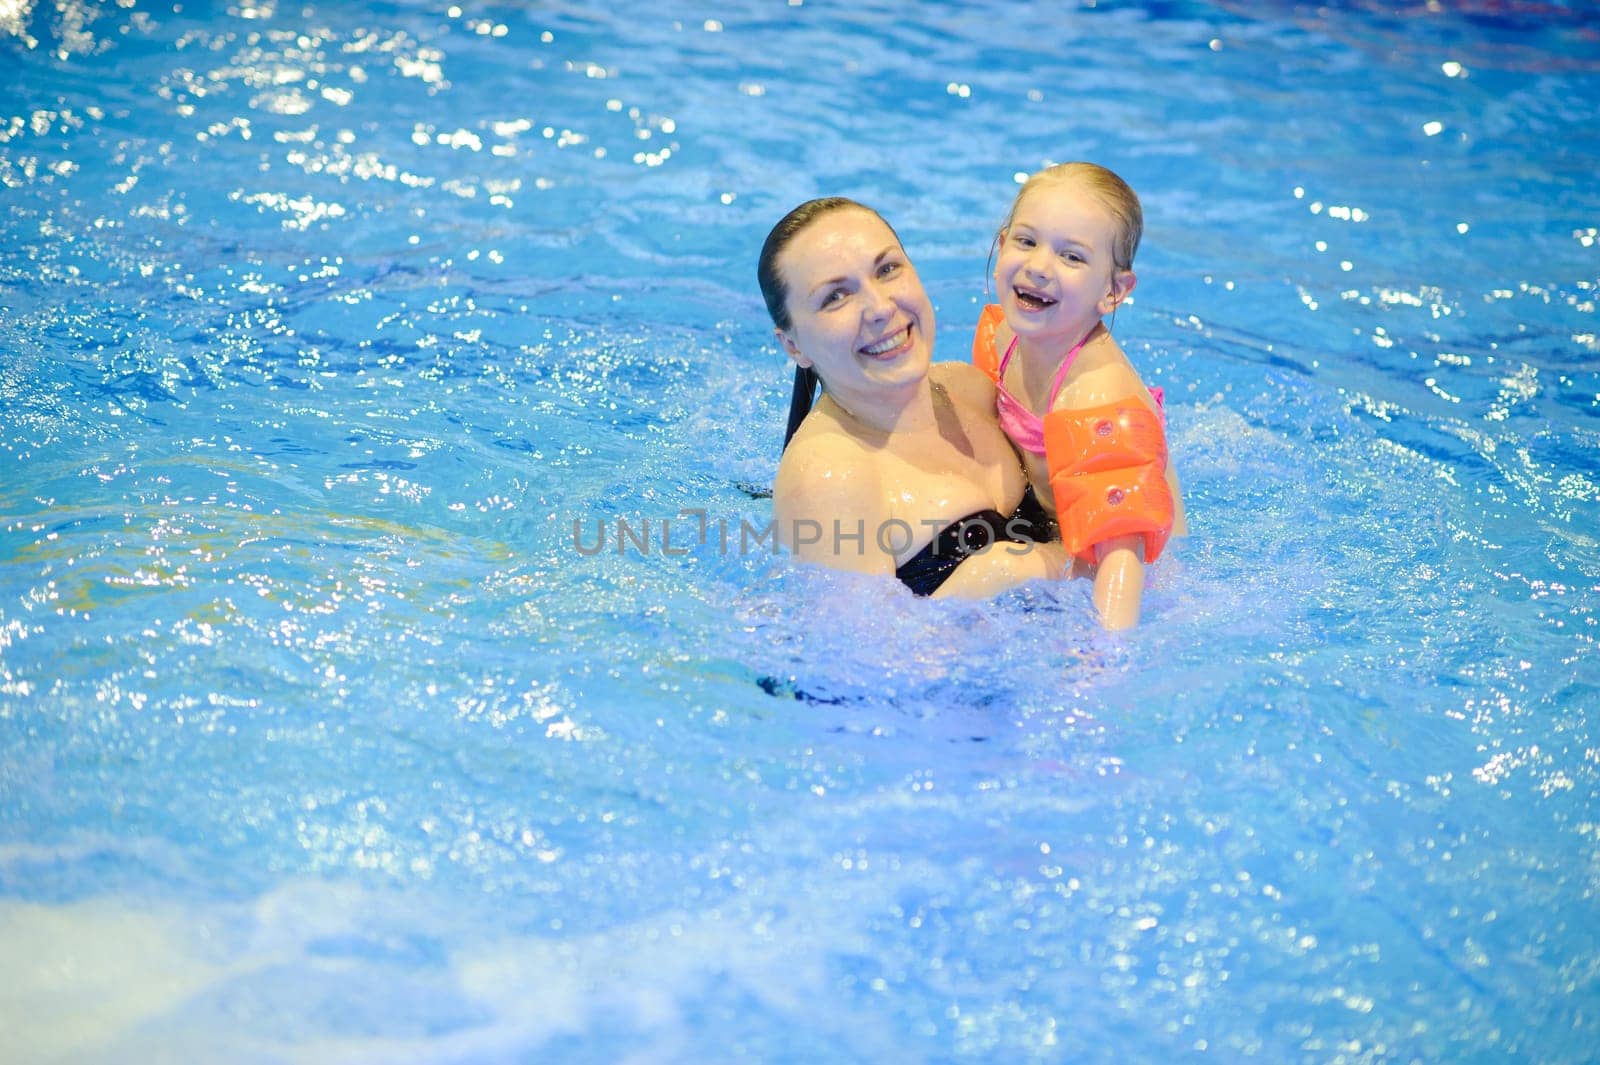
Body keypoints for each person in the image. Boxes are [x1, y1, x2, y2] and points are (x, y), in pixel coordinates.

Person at [760, 197, 1068, 598]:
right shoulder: (830, 479)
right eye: (835, 297)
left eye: (887, 269)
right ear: (793, 345)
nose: (879, 308)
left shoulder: (970, 390)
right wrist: (994, 577)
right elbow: (856, 655)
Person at [971, 162, 1187, 629]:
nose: (1039, 267)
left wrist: (1098, 664)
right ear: (1002, 241)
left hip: (1126, 571)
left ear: (1112, 292)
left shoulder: (1096, 395)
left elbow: (1122, 559)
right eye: (1026, 241)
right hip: (1052, 526)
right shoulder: (1007, 334)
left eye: (1072, 257)